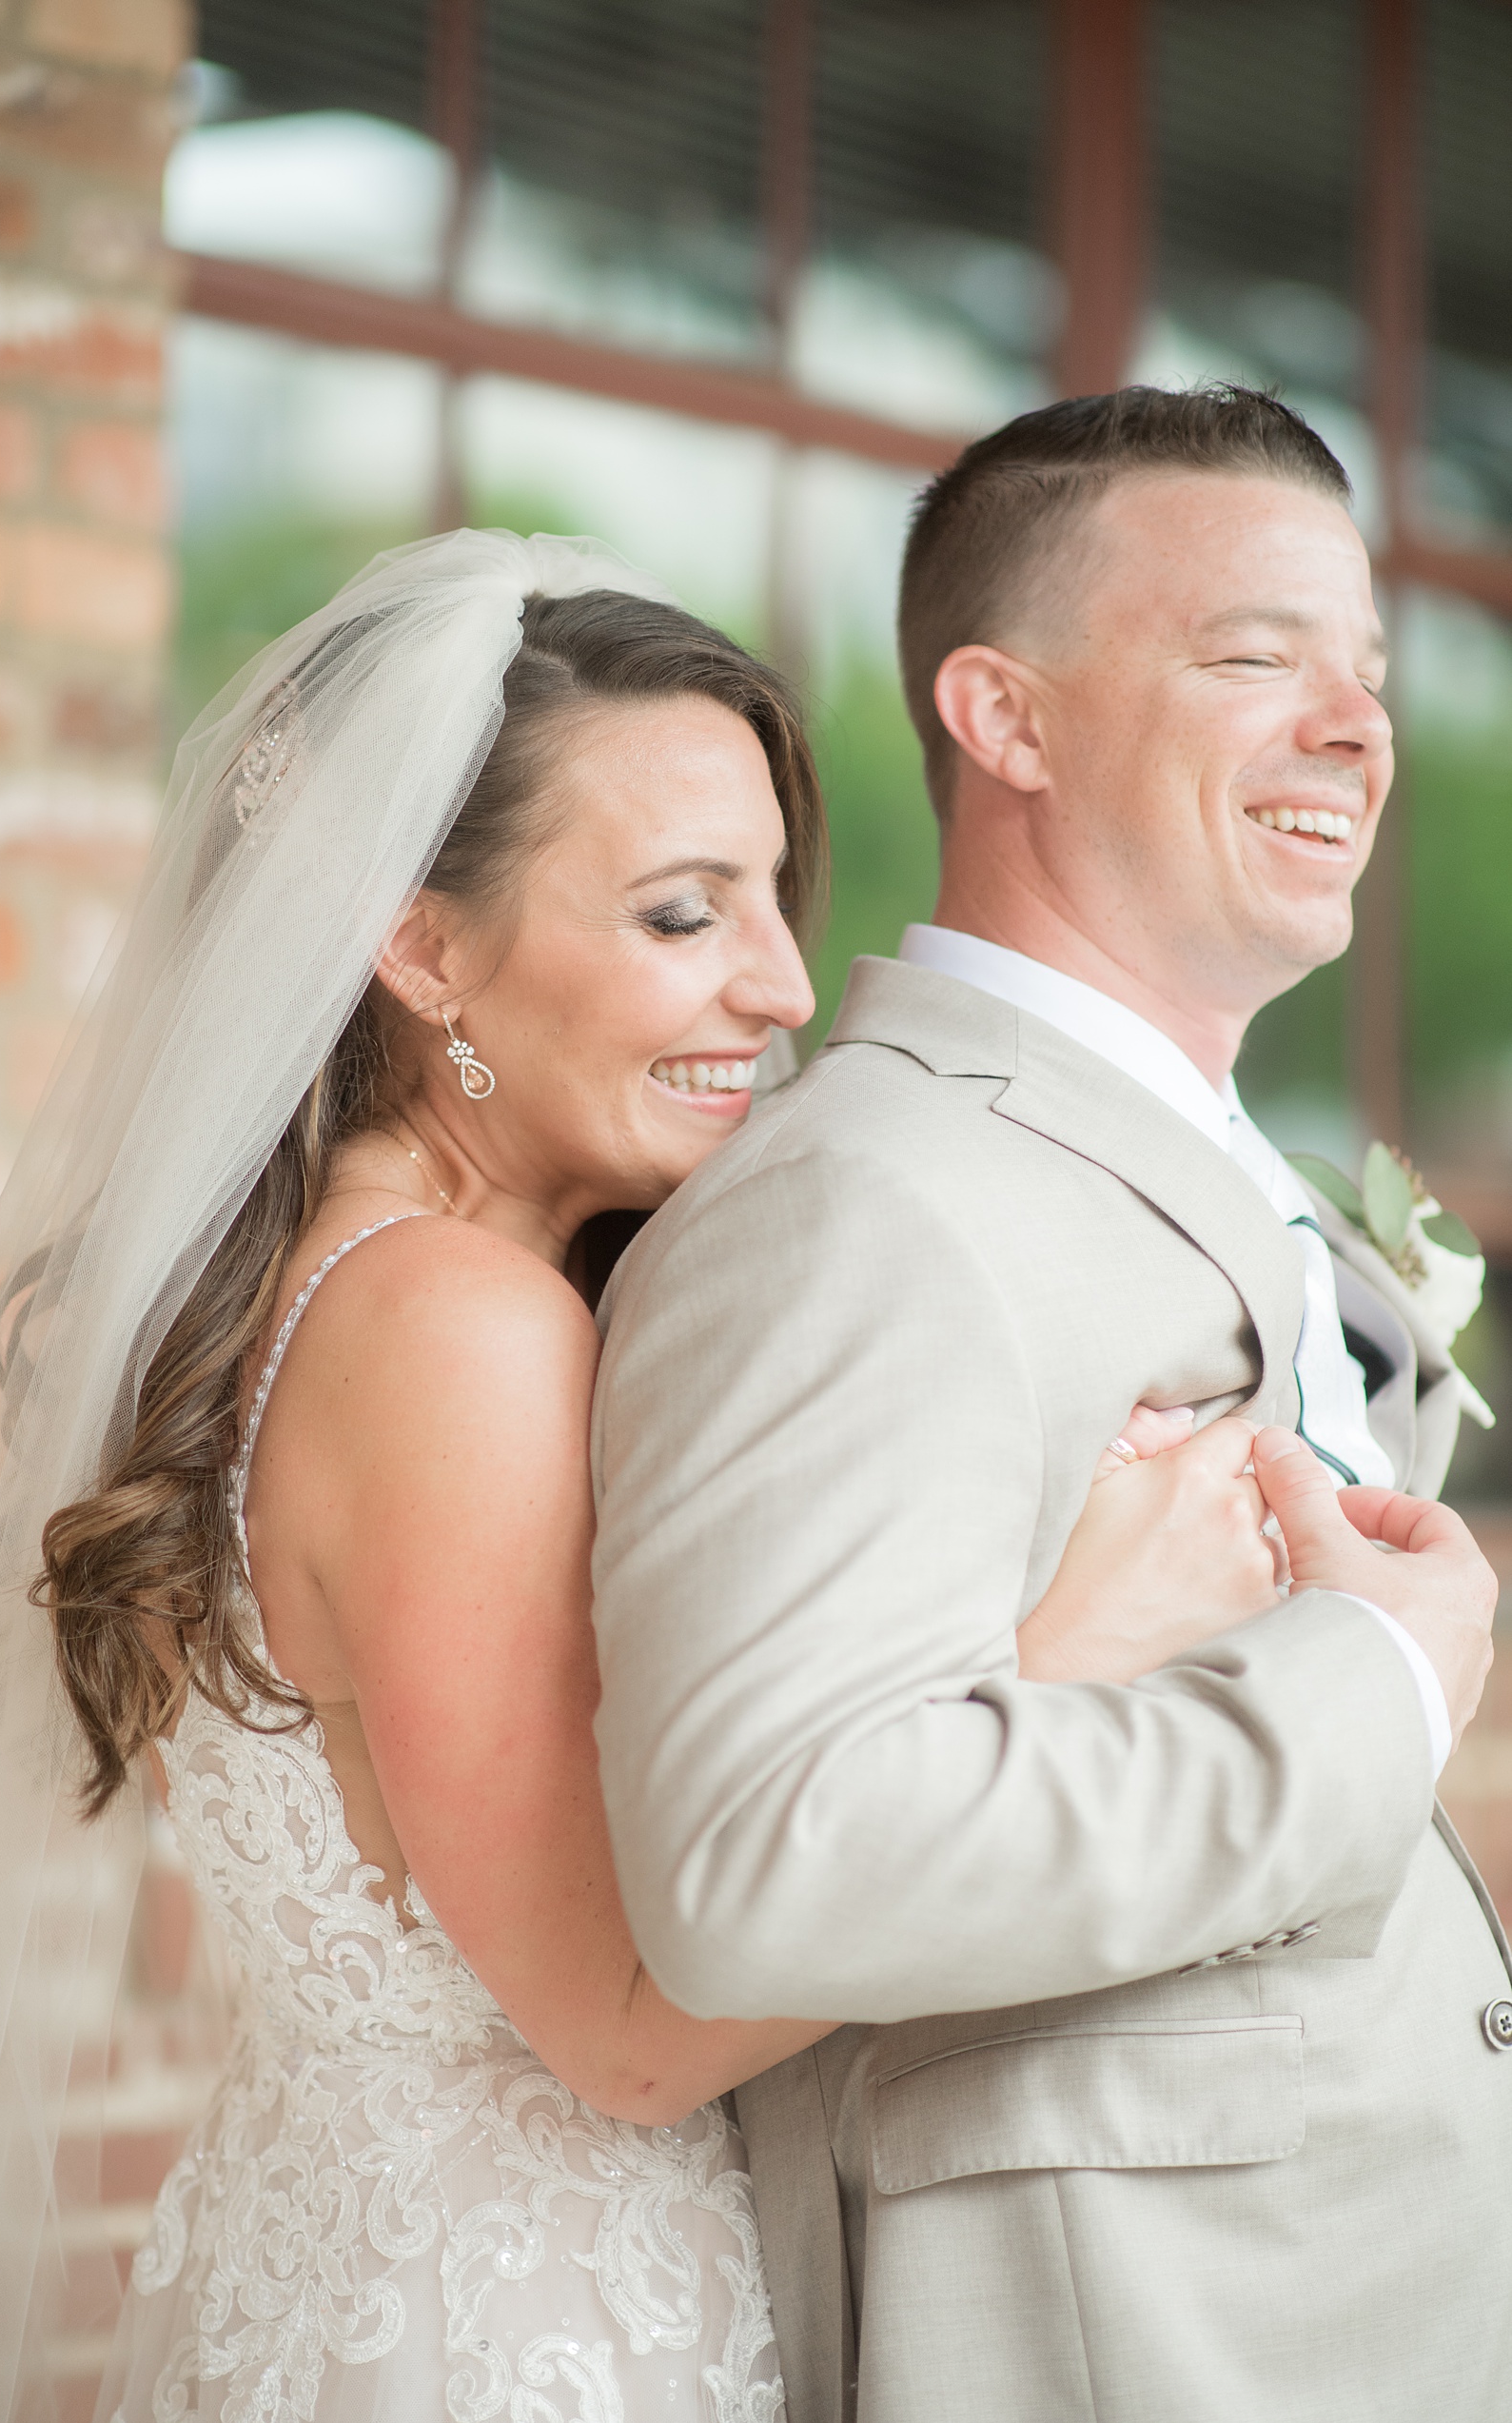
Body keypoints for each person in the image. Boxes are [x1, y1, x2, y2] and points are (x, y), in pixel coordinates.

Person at [0, 527, 1286, 2423]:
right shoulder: (450, 1333)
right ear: (422, 944)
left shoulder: (350, 1301)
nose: (786, 984)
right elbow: (626, 2036)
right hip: (528, 2346)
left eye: (774, 901)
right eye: (678, 914)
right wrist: (1070, 1647)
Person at [588, 387, 1509, 2423]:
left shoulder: (1213, 1161)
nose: (1354, 726)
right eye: (1254, 657)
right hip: (1125, 2344)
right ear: (1003, 720)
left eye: (1362, 670)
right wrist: (1374, 1682)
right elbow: (766, 1864)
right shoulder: (859, 1201)